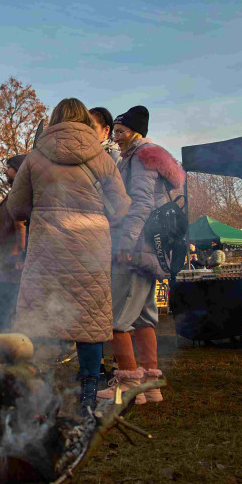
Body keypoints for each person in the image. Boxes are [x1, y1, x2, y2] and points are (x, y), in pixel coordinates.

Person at [7, 98, 129, 411]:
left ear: (55, 120)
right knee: (90, 319)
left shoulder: (35, 157)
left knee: (42, 316)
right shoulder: (102, 158)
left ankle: (41, 389)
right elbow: (121, 206)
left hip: (47, 248)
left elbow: (16, 208)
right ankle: (89, 392)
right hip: (91, 249)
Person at [98, 106, 185, 403]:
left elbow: (141, 203)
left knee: (116, 319)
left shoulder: (141, 156)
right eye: (115, 131)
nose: (117, 137)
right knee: (144, 318)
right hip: (148, 248)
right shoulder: (138, 156)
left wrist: (125, 243)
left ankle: (128, 384)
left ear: (136, 132)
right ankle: (150, 385)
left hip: (136, 249)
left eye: (121, 131)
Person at [0, 154, 28, 333]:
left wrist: (21, 256)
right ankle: (5, 341)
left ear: (18, 170)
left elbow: (21, 228)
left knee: (7, 310)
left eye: (9, 168)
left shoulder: (19, 196)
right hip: (6, 265)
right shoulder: (14, 195)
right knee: (2, 310)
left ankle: (10, 344)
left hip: (13, 267)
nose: (5, 171)